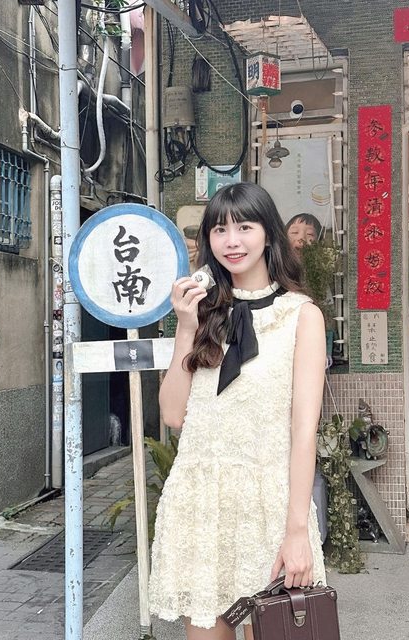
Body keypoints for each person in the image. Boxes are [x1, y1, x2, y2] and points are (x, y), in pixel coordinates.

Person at [149, 183, 326, 640]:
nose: (232, 241)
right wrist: (185, 328)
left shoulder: (301, 316)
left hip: (269, 508)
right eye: (219, 230)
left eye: (244, 227)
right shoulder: (202, 313)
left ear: (268, 234)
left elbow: (303, 432)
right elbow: (172, 414)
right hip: (201, 505)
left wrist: (297, 531)